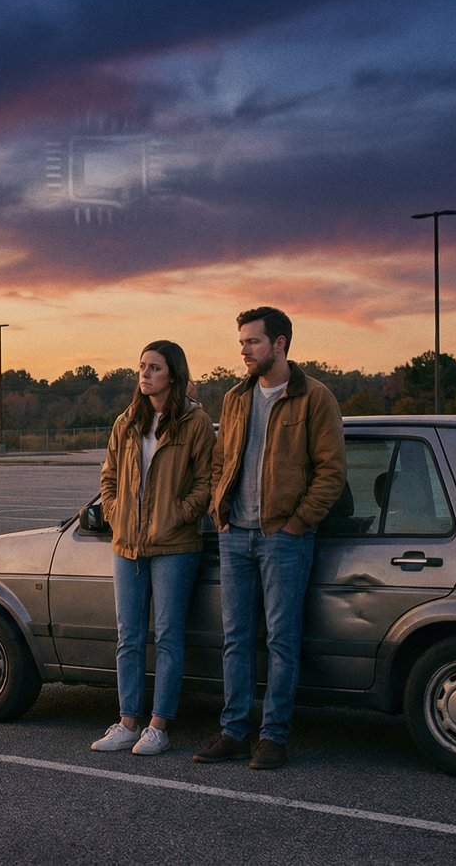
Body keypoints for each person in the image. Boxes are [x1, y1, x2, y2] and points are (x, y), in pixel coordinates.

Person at [194, 306, 346, 770]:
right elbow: (221, 460)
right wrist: (219, 511)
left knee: (282, 639)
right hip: (235, 534)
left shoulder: (315, 398)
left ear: (280, 344)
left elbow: (331, 472)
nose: (243, 350)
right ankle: (234, 731)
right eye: (241, 342)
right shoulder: (236, 398)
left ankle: (273, 737)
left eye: (252, 342)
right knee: (236, 638)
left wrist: (298, 523)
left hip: (285, 539)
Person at [89, 340, 215, 756]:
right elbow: (108, 477)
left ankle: (158, 726)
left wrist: (181, 513)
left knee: (168, 637)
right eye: (141, 366)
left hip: (176, 545)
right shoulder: (127, 421)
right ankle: (128, 721)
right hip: (127, 545)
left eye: (154, 368)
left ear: (173, 375)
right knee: (128, 635)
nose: (144, 374)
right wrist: (114, 513)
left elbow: (207, 480)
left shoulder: (194, 422)